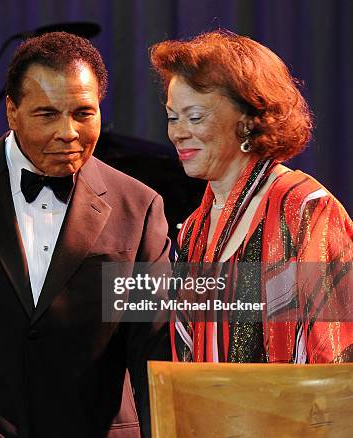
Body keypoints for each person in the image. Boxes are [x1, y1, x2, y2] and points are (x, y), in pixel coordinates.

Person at [0, 32, 171, 437]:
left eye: (83, 113)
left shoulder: (138, 207)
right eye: (47, 114)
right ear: (12, 113)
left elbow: (151, 348)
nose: (68, 132)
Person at [149, 30, 353, 363]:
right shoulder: (193, 228)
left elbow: (337, 354)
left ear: (247, 121)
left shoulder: (306, 208)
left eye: (194, 117)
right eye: (173, 117)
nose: (177, 132)